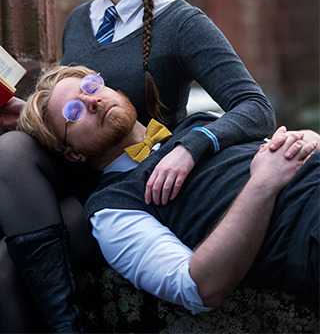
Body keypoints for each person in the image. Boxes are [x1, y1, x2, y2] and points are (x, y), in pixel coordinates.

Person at [0, 0, 277, 333]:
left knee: (5, 269)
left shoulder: (182, 23)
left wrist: (191, 147)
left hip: (138, 183)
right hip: (86, 168)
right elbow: (79, 112)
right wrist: (27, 113)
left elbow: (255, 108)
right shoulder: (79, 21)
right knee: (11, 148)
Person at [18, 65, 319, 316]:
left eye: (91, 86)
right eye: (73, 111)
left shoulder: (203, 124)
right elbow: (199, 288)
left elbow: (279, 148)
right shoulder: (112, 207)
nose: (92, 101)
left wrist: (306, 141)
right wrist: (261, 185)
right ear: (74, 154)